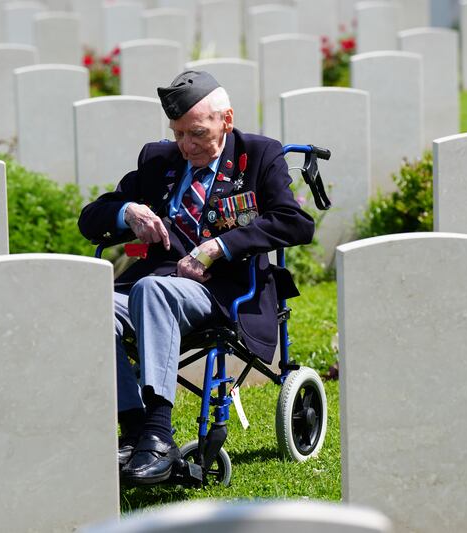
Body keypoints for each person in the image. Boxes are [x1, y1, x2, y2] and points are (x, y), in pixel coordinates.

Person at [78, 70, 314, 485]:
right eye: (178, 134)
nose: (186, 146)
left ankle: (158, 434)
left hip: (223, 292)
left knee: (152, 290)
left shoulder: (258, 155)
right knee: (90, 302)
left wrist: (217, 247)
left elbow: (295, 223)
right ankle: (135, 432)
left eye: (197, 134)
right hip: (153, 288)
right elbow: (90, 218)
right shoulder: (159, 160)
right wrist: (127, 212)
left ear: (226, 120)